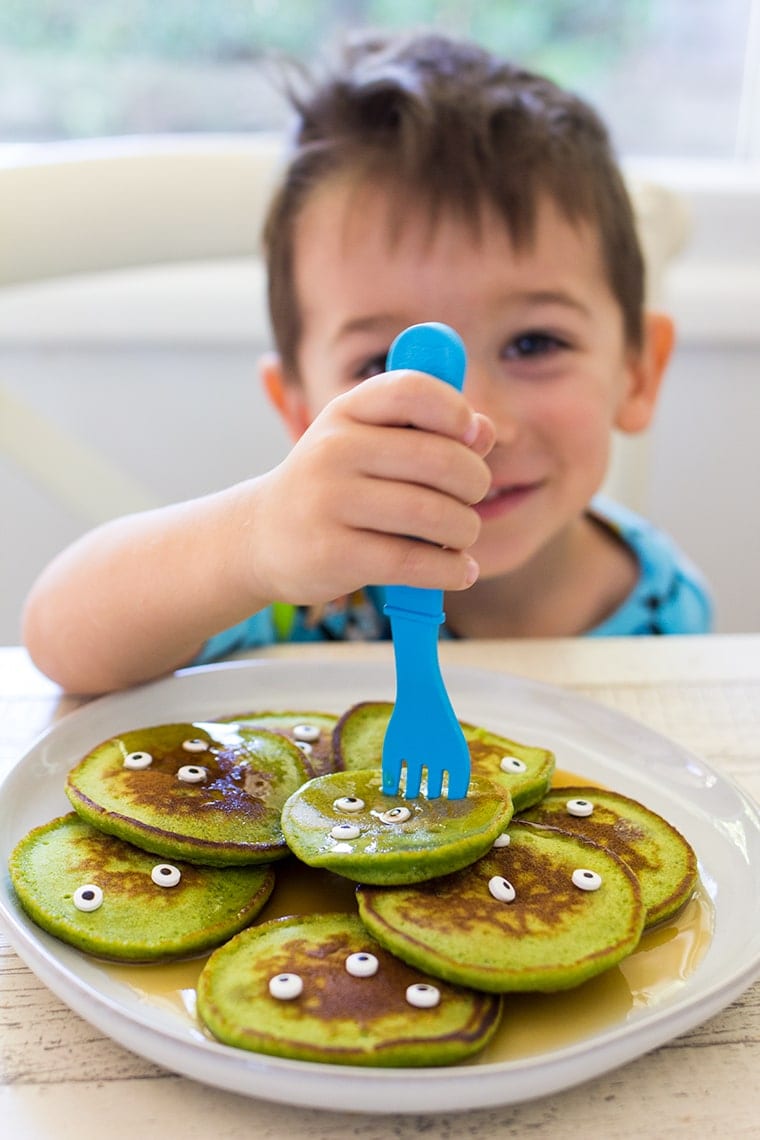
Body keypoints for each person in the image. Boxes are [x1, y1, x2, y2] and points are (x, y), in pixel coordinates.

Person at [22, 30, 712, 695]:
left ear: (639, 371)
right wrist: (255, 543)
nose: (477, 424)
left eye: (534, 344)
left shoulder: (663, 607)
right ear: (298, 410)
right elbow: (58, 638)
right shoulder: (309, 580)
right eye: (384, 363)